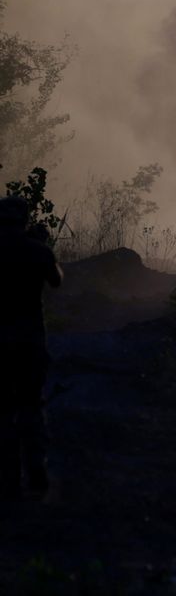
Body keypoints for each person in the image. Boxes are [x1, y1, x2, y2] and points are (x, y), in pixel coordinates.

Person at [0, 196, 62, 500]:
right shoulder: (36, 251)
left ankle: (9, 478)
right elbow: (56, 281)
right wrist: (41, 246)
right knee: (31, 406)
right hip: (29, 340)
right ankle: (36, 470)